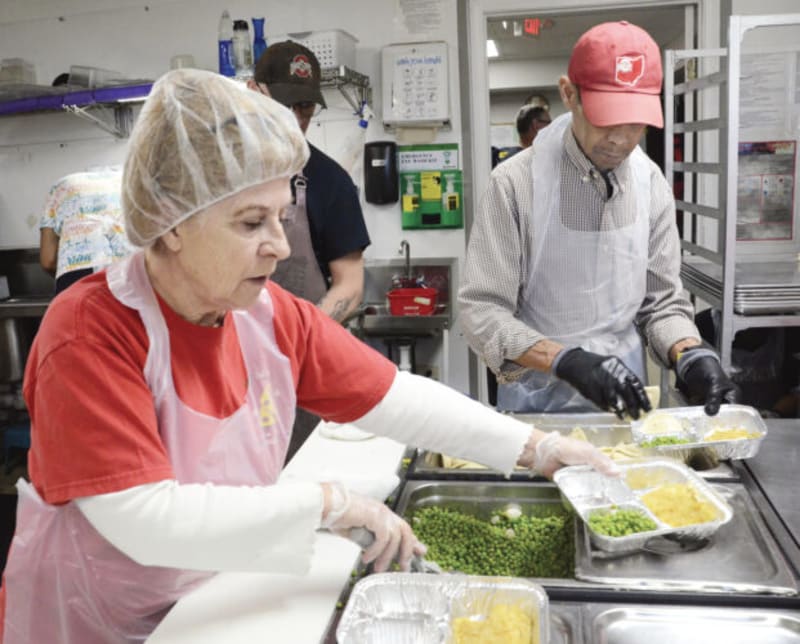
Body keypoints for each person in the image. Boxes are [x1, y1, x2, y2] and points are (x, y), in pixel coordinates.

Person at [0, 68, 617, 644]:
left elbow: (396, 397)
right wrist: (326, 503)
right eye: (250, 223)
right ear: (171, 224)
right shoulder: (90, 331)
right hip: (93, 619)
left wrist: (538, 450)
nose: (277, 246)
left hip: (210, 601)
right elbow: (143, 517)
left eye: (281, 217)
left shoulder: (268, 315)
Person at [459, 21, 738, 418]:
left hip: (625, 396)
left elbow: (660, 303)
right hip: (538, 402)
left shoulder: (649, 183)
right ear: (569, 94)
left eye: (636, 123)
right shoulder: (516, 183)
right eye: (609, 119)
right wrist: (566, 360)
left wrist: (689, 353)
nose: (622, 140)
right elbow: (481, 311)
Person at [248, 41, 370, 460]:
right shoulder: (223, 173)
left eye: (305, 108)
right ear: (253, 91)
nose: (296, 119)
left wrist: (294, 346)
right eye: (286, 105)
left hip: (300, 372)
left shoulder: (330, 181)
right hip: (226, 365)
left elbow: (349, 285)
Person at [38, 166, 135, 294]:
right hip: (127, 272)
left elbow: (48, 261)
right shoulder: (133, 183)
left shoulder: (62, 186)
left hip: (76, 273)